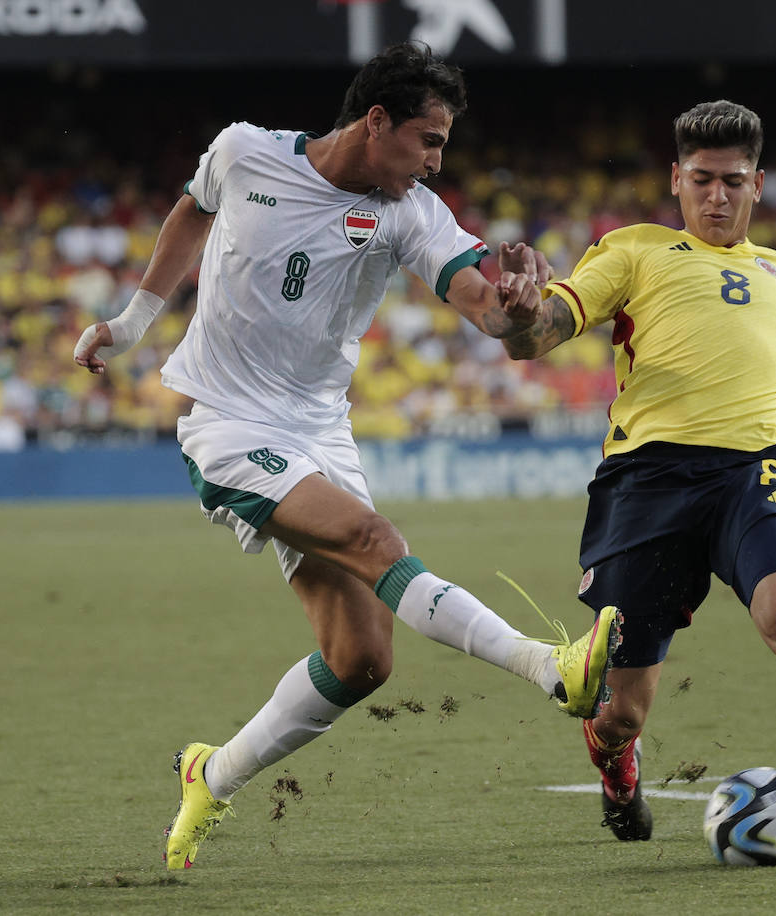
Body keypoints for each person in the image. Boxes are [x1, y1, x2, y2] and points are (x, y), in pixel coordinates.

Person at [72, 43, 621, 869]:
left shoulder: (409, 212)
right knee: (376, 541)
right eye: (428, 140)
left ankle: (208, 777)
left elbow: (485, 306)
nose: (437, 160)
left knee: (361, 661)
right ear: (376, 122)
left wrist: (518, 304)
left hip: (319, 431)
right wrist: (133, 321)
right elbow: (193, 208)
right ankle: (551, 668)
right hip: (227, 424)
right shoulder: (244, 152)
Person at [501, 100, 776, 841]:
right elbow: (542, 332)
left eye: (733, 181)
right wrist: (519, 313)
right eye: (702, 180)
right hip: (647, 486)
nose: (717, 197)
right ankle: (617, 770)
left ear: (759, 183)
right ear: (676, 179)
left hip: (753, 471)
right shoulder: (633, 251)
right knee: (619, 711)